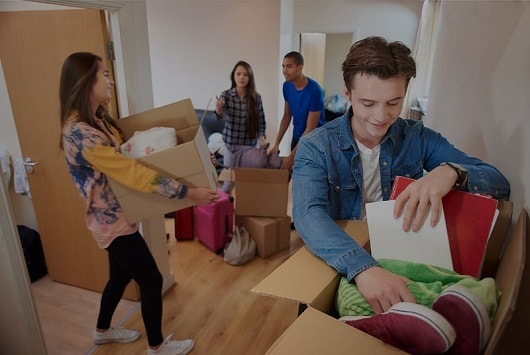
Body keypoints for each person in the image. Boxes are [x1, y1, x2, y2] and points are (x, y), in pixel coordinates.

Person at [292, 37, 510, 352]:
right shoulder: (316, 146)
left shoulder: (417, 137)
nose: (381, 116)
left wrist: (451, 172)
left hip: (399, 252)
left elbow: (499, 182)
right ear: (348, 93)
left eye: (394, 102)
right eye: (368, 103)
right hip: (343, 254)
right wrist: (363, 268)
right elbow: (308, 215)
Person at [59, 52, 218, 355]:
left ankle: (101, 331)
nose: (111, 80)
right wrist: (189, 191)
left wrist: (193, 160)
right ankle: (156, 348)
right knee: (151, 278)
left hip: (122, 213)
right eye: (103, 74)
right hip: (111, 222)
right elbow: (130, 172)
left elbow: (136, 151)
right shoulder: (79, 134)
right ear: (84, 82)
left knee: (119, 276)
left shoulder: (99, 120)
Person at [214, 60, 267, 193]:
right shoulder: (226, 95)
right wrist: (219, 109)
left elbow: (261, 121)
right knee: (228, 184)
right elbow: (219, 117)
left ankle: (246, 210)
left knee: (248, 184)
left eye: (245, 74)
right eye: (238, 74)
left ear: (250, 77)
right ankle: (223, 210)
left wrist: (262, 137)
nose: (241, 77)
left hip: (249, 147)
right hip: (231, 147)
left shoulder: (256, 98)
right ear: (233, 76)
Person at [269, 51, 326, 170]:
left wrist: (292, 156)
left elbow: (310, 128)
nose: (284, 70)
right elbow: (286, 116)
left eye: (289, 66)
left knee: (309, 177)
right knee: (296, 174)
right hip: (297, 137)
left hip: (314, 141)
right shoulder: (287, 86)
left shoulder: (315, 90)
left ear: (300, 67)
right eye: (283, 66)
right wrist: (276, 144)